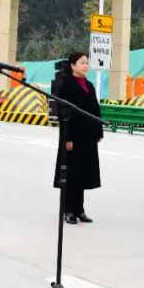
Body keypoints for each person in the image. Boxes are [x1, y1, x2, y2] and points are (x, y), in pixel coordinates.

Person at [53, 52, 103, 224]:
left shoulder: (89, 85)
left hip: (87, 136)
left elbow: (95, 109)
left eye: (87, 63)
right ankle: (68, 210)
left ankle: (79, 209)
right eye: (82, 63)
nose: (86, 66)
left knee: (82, 173)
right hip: (72, 136)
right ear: (73, 65)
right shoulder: (66, 84)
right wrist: (67, 138)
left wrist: (98, 131)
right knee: (71, 174)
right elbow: (63, 113)